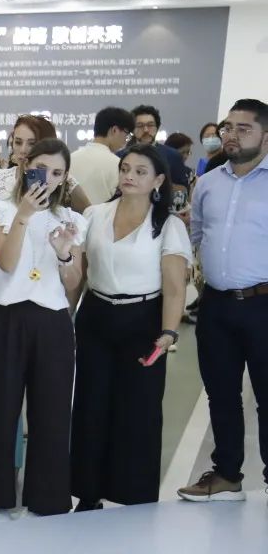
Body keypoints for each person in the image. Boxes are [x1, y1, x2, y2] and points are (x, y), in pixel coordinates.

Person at [72, 145, 191, 511]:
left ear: (158, 180)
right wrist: (65, 314)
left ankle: (135, 497)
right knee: (91, 405)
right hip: (95, 316)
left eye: (140, 171)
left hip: (143, 320)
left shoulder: (168, 225)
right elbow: (80, 272)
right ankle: (88, 492)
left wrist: (168, 332)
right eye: (125, 168)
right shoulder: (95, 214)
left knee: (138, 409)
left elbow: (174, 287)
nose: (129, 176)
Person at [0, 138, 86, 516]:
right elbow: (5, 263)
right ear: (25, 167)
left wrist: (65, 254)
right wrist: (23, 214)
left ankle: (48, 498)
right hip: (4, 319)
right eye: (41, 169)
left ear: (65, 178)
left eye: (57, 173)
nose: (49, 179)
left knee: (52, 414)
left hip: (52, 321)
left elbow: (73, 282)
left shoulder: (72, 220)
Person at [178, 99, 268, 502]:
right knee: (221, 393)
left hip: (263, 305)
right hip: (215, 305)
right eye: (228, 127)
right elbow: (195, 236)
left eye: (243, 129)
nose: (231, 135)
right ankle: (227, 474)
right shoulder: (208, 182)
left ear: (266, 137)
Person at [0, 115, 92, 214]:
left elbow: (90, 217)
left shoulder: (66, 182)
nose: (23, 150)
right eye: (18, 142)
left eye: (32, 143)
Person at [127, 105, 190, 211]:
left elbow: (182, 189)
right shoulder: (122, 156)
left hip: (164, 212)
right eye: (140, 126)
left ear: (157, 127)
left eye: (150, 125)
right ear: (132, 129)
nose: (146, 130)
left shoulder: (172, 155)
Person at [70, 107, 134, 205]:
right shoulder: (118, 164)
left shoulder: (70, 159)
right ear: (114, 130)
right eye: (127, 134)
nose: (126, 140)